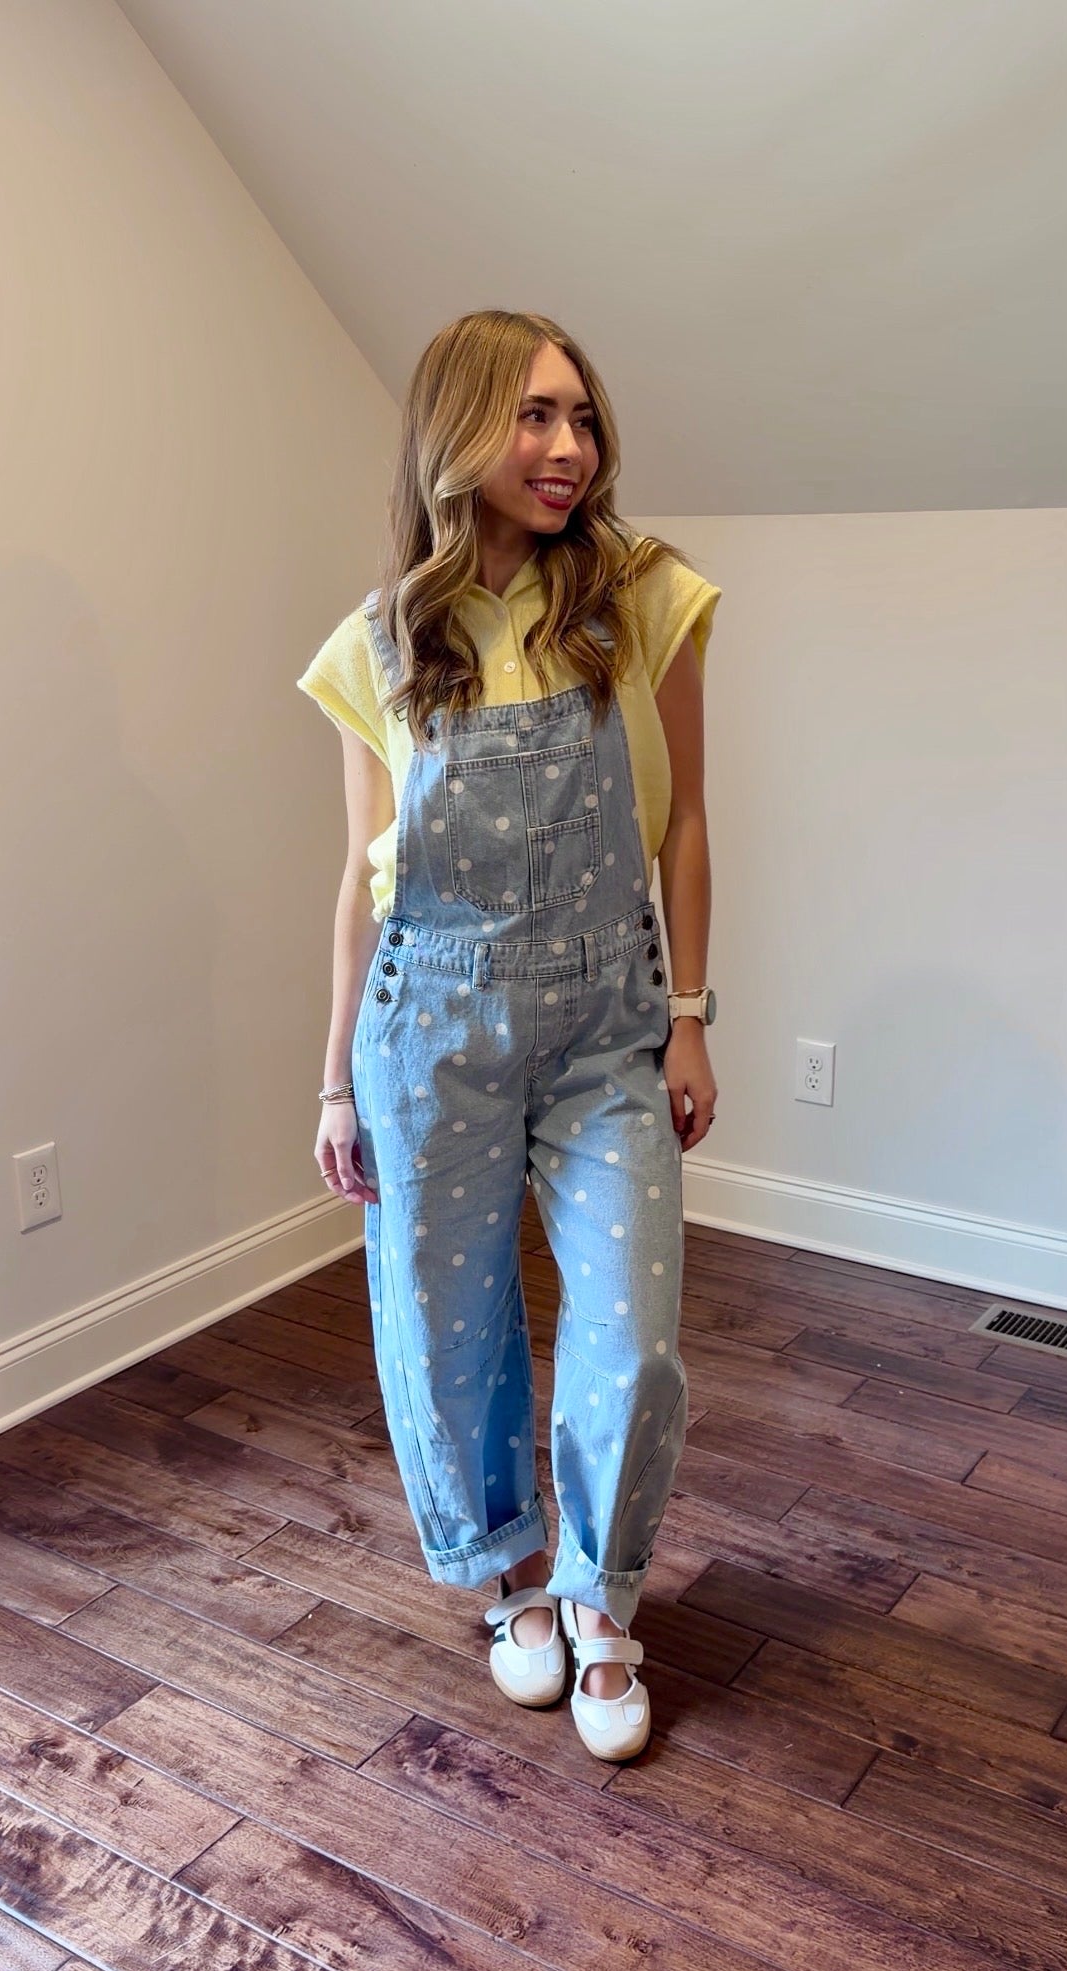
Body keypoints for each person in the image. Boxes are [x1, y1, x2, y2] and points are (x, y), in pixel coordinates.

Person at [297, 310, 719, 1761]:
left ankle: (602, 1596)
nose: (566, 449)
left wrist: (687, 1021)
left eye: (582, 420)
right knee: (443, 1323)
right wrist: (334, 1080)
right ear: (456, 431)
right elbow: (365, 883)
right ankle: (507, 1584)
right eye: (534, 416)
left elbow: (685, 825)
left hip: (608, 1021)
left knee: (633, 1330)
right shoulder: (378, 647)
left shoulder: (642, 598)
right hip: (427, 1029)